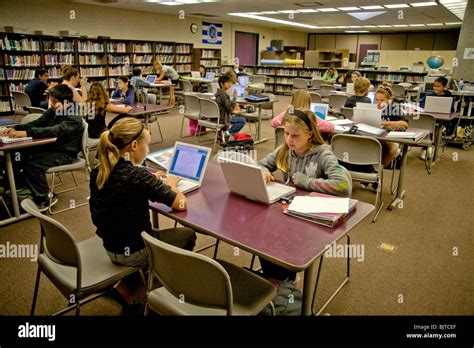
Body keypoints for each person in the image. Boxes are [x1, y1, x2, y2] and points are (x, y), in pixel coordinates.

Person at [89, 117, 196, 312]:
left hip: (109, 245)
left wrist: (150, 179)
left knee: (141, 228)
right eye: (147, 145)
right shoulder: (137, 176)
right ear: (134, 145)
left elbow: (128, 186)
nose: (148, 150)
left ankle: (126, 284)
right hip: (132, 253)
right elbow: (180, 203)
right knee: (188, 235)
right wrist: (171, 183)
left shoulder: (100, 169)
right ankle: (161, 293)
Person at [257, 108, 352, 281]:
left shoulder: (323, 154)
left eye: (295, 135)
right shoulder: (285, 150)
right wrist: (263, 172)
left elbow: (343, 185)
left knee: (278, 235)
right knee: (263, 232)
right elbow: (260, 165)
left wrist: (305, 182)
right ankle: (278, 280)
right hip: (290, 210)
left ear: (309, 134)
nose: (289, 139)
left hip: (313, 217)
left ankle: (283, 280)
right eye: (286, 133)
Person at [1, 84, 84, 211]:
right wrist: (16, 128)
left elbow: (54, 131)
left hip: (65, 153)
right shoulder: (54, 110)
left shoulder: (74, 118)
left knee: (32, 165)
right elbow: (38, 123)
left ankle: (45, 197)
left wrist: (27, 133)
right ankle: (20, 188)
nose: (51, 104)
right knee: (17, 152)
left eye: (54, 102)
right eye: (51, 100)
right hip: (51, 147)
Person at [85, 82, 132, 148]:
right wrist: (128, 108)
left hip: (89, 133)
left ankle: (99, 154)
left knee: (110, 124)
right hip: (101, 133)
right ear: (103, 91)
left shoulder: (87, 103)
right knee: (122, 117)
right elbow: (124, 111)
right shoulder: (104, 104)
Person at [375, 82, 408, 166]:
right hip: (375, 135)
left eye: (382, 100)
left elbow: (405, 124)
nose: (378, 103)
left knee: (391, 148)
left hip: (388, 137)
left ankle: (379, 168)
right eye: (376, 100)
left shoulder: (395, 108)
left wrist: (385, 123)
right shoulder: (373, 107)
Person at [215, 74, 246, 143]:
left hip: (219, 116)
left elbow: (227, 105)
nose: (230, 84)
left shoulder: (219, 93)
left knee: (238, 115)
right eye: (227, 83)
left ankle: (222, 132)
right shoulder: (223, 95)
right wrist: (234, 97)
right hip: (224, 118)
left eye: (230, 83)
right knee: (242, 121)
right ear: (221, 84)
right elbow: (229, 109)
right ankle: (226, 133)